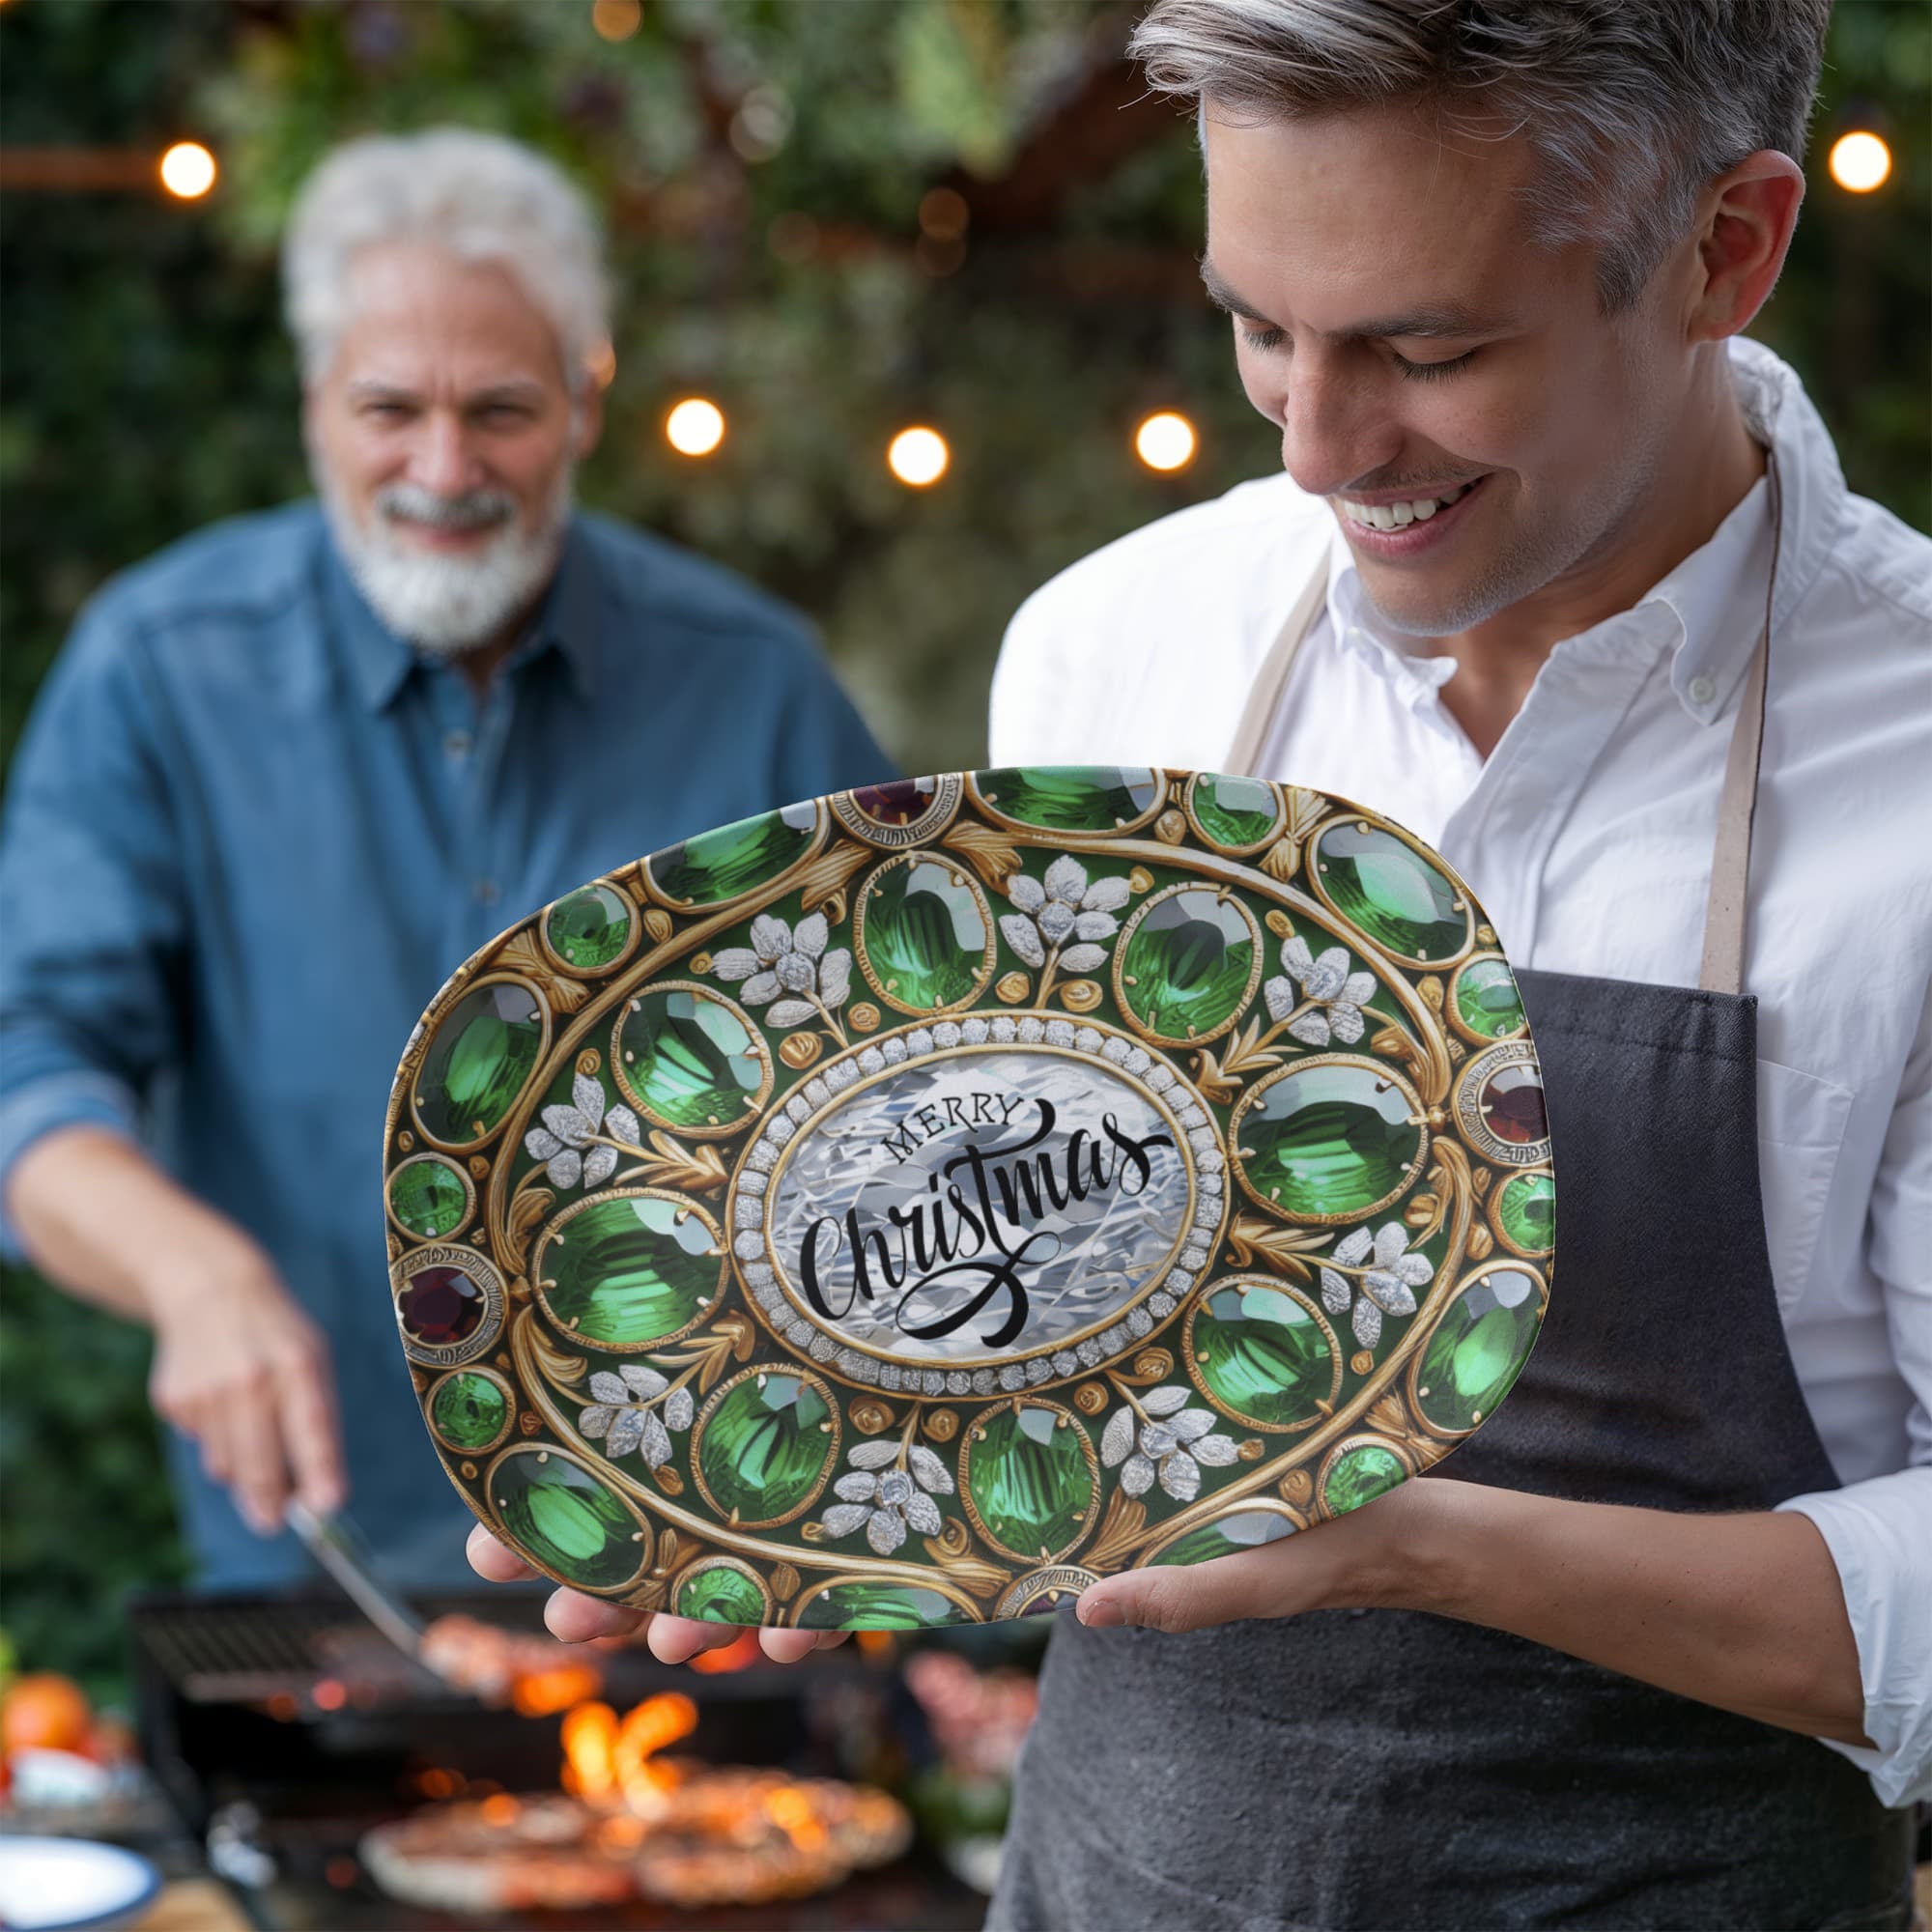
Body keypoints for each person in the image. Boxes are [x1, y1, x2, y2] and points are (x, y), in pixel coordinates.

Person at [469, 2, 1932, 1925]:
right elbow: (1011, 1296)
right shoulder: (1118, 647)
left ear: (1725, 250)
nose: (1321, 447)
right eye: (1257, 326)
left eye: (1427, 348)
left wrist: (1413, 1547)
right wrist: (785, 1474)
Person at [0, 128, 891, 1593]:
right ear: (312, 406)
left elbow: (906, 1091)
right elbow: (34, 1076)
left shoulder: (757, 685)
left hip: (703, 1562)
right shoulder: (159, 668)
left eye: (501, 410)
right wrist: (190, 1272)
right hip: (315, 1572)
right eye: (388, 408)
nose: (443, 466)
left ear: (589, 401)